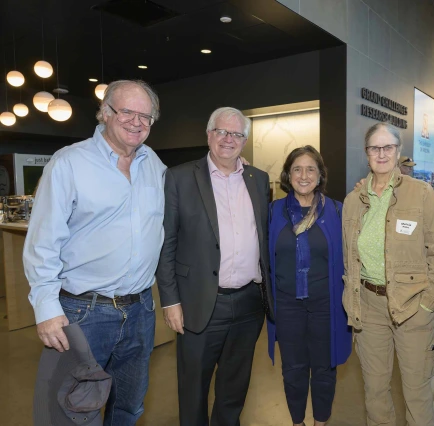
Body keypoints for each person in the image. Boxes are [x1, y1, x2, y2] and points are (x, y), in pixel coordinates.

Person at [23, 80, 166, 426]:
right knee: (73, 411)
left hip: (140, 311)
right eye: (126, 111)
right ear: (105, 113)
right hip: (83, 313)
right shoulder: (69, 163)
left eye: (145, 115)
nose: (137, 121)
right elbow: (43, 241)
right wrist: (45, 307)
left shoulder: (155, 166)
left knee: (129, 408)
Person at [156, 107, 273, 426]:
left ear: (245, 141)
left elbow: (265, 234)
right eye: (221, 131)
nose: (228, 139)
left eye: (236, 134)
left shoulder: (258, 179)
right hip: (200, 301)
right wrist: (170, 300)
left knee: (235, 387)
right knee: (193, 387)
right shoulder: (179, 177)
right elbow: (167, 242)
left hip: (250, 303)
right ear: (208, 135)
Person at [343, 122, 434, 426]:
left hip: (414, 306)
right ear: (367, 153)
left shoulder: (421, 194)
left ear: (398, 151)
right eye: (375, 148)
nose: (382, 153)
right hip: (369, 308)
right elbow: (349, 258)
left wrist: (430, 302)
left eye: (388, 147)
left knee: (417, 394)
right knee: (375, 391)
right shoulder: (353, 201)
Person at [267, 146, 351, 426]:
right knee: (293, 368)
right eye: (297, 169)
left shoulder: (337, 211)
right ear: (288, 175)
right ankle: (297, 422)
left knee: (324, 368)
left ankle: (320, 422)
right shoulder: (273, 212)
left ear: (320, 175)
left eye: (311, 169)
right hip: (288, 304)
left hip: (326, 303)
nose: (304, 175)